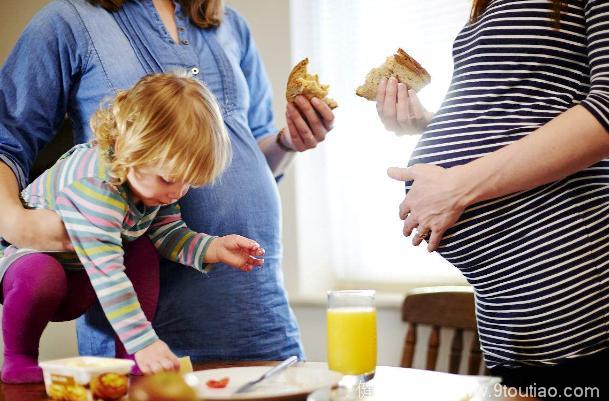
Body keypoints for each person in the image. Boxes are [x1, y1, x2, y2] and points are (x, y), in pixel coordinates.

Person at [0, 0, 333, 368]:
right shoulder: (68, 21)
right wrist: (17, 225)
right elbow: (6, 139)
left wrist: (287, 142)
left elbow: (251, 151)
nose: (179, 188)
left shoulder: (230, 25)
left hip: (258, 311)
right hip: (147, 326)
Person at [379, 0, 609, 398]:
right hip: (508, 315)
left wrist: (459, 185)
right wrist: (428, 125)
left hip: (571, 287)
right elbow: (521, 112)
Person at [0, 72, 267, 383]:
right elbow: (107, 271)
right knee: (41, 273)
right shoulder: (97, 183)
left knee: (142, 248)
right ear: (131, 149)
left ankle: (127, 357)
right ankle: (18, 356)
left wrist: (214, 248)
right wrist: (145, 342)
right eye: (169, 179)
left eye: (187, 183)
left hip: (81, 274)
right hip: (27, 267)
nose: (176, 192)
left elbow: (170, 235)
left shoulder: (154, 185)